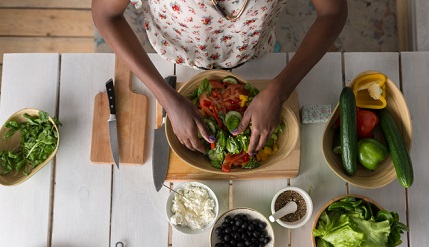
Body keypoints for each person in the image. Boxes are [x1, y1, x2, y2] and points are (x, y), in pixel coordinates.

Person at [92, 0, 347, 155]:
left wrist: (280, 89)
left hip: (257, 57)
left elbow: (333, 12)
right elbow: (106, 14)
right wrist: (167, 99)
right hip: (173, 63)